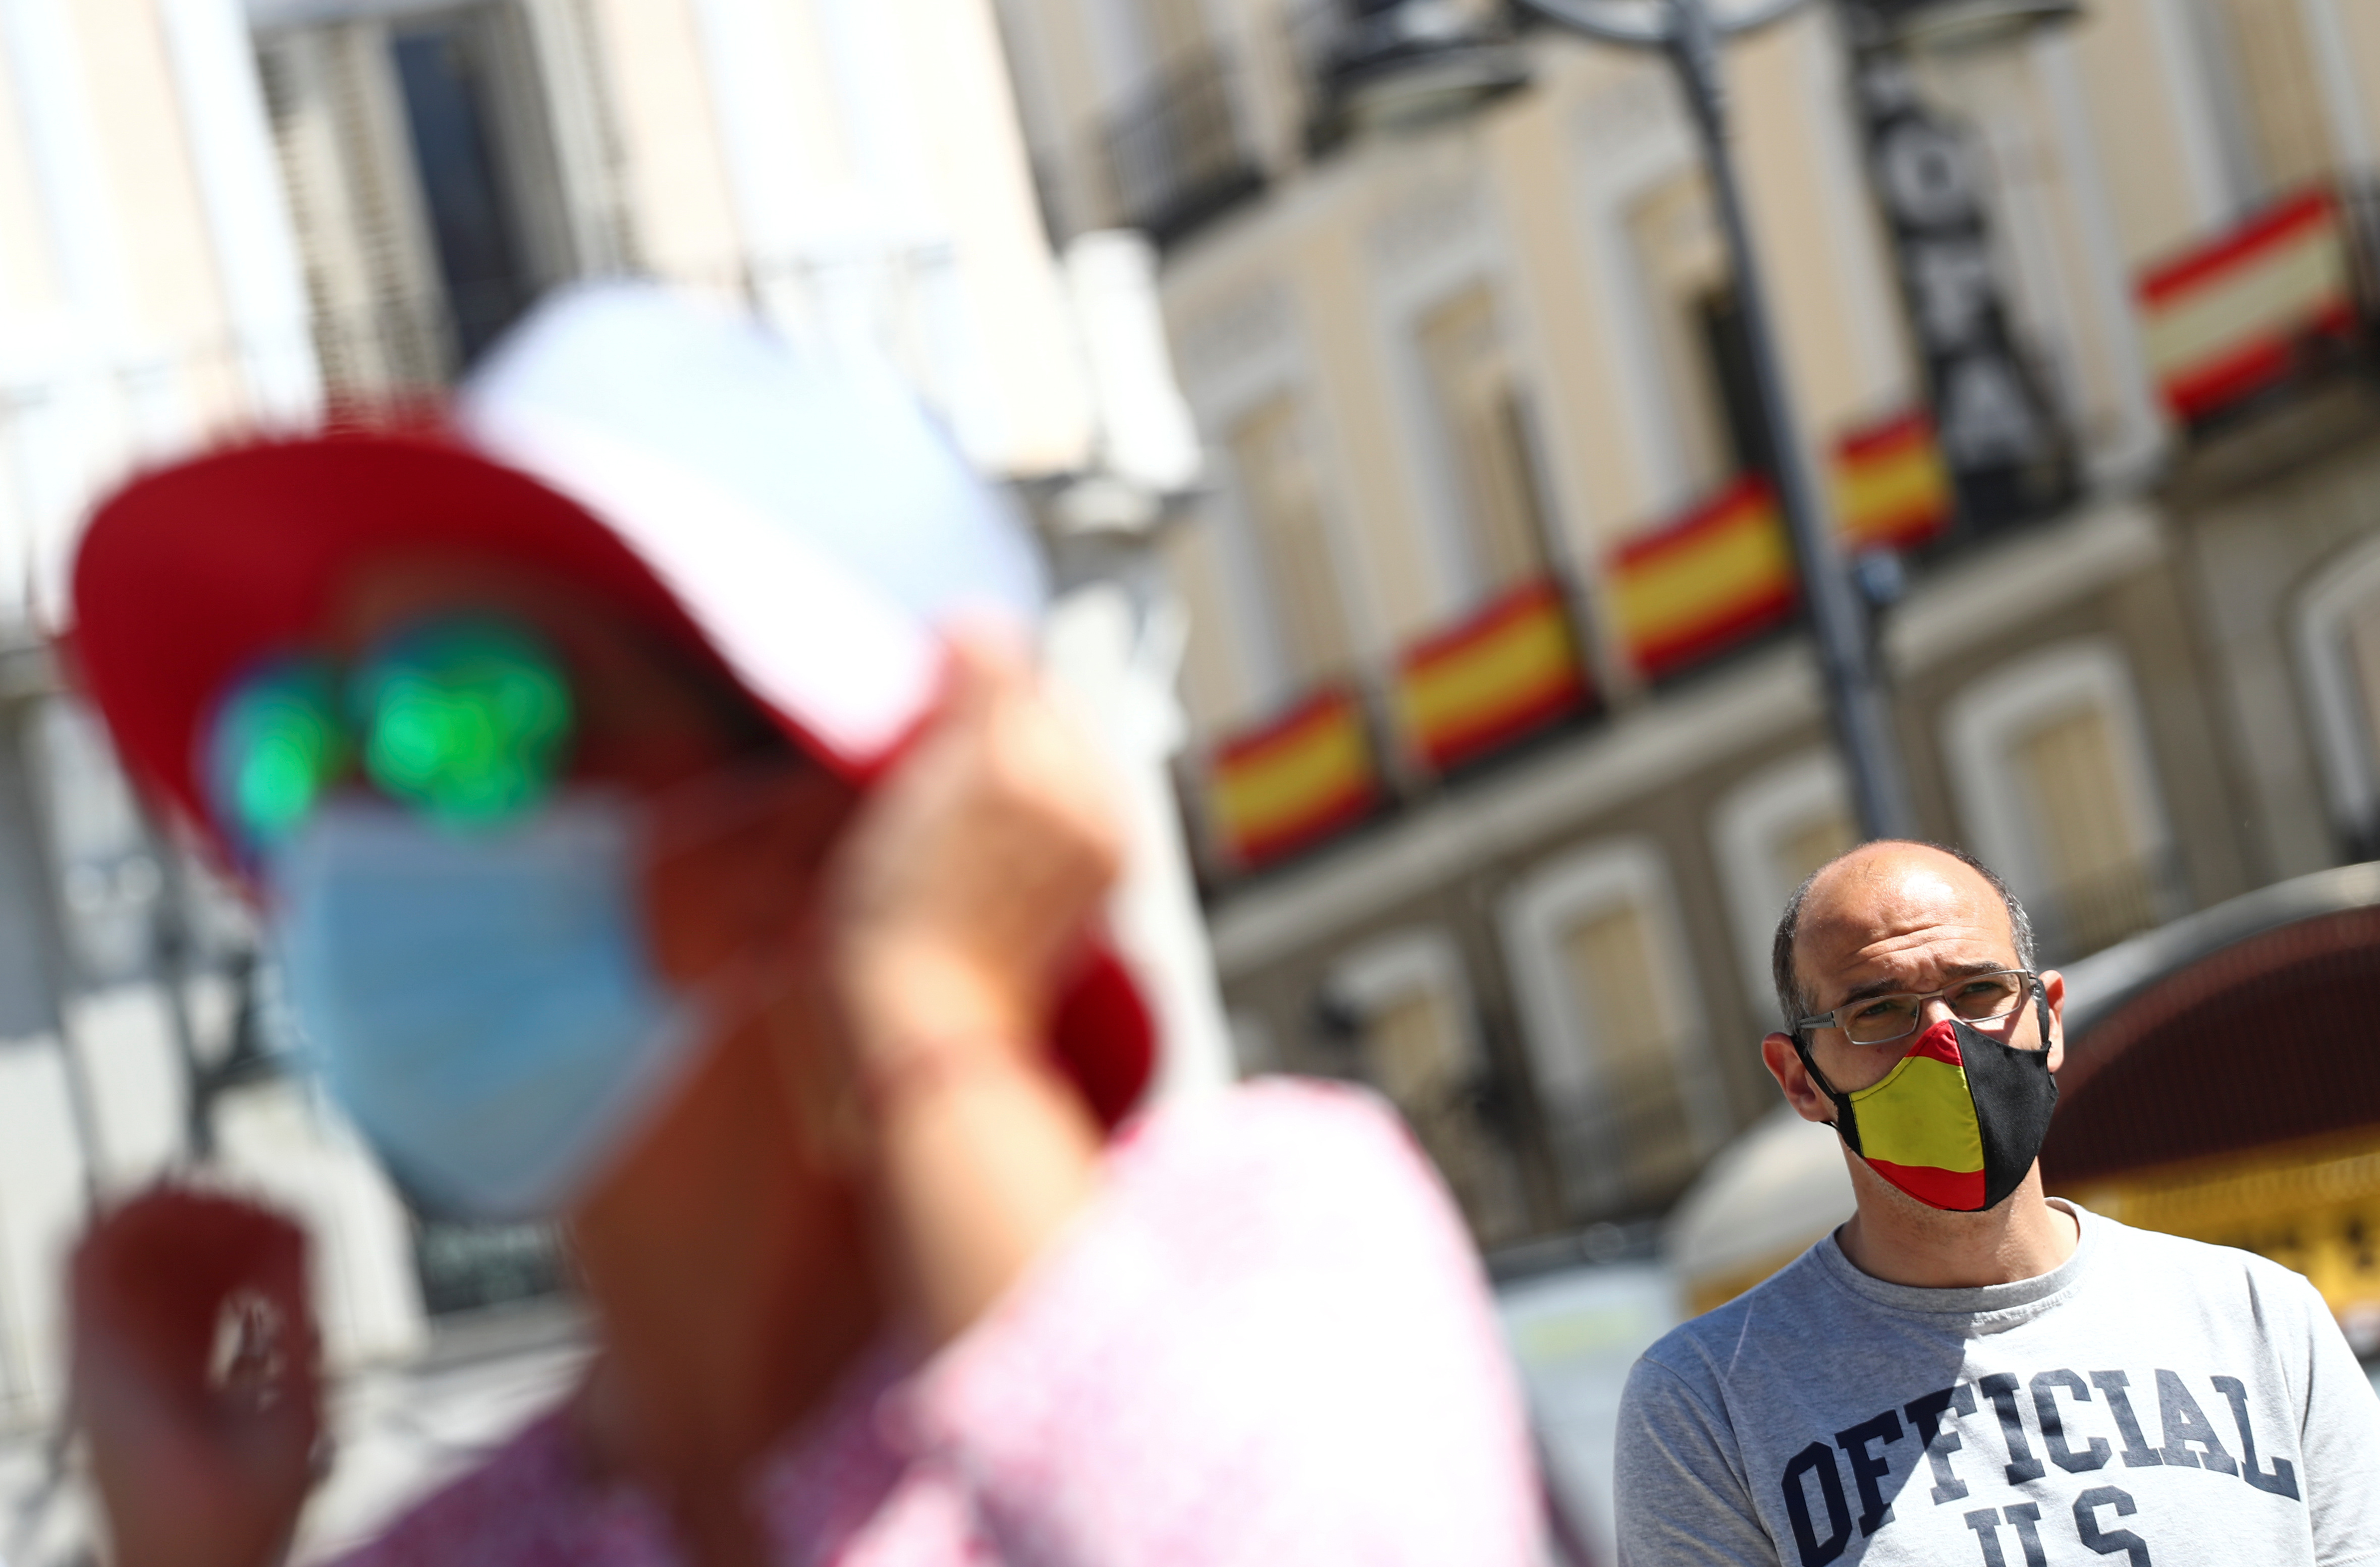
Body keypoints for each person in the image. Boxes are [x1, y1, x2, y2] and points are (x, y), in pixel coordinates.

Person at [63, 286, 1540, 1567]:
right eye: (296, 748)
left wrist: (933, 1016)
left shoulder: (1264, 1244)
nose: (347, 832)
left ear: (818, 825)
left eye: (465, 722)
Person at [1614, 839, 2380, 1567]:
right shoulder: (1707, 1403)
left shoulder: (2261, 1318)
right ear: (1799, 1078)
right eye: (1877, 1011)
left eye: (1980, 990)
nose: (1944, 1039)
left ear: (2048, 1018)